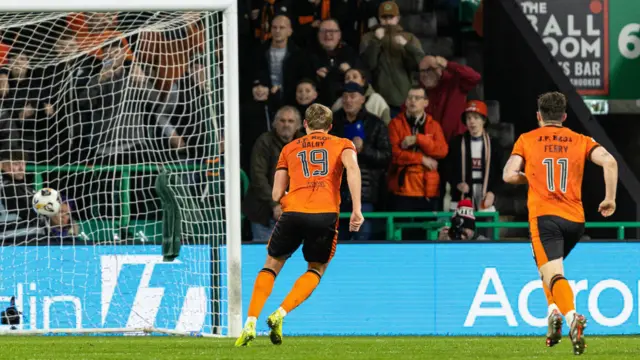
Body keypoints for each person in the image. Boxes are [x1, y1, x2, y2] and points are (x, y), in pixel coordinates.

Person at [235, 103, 364, 347]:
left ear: (305, 125)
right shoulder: (343, 144)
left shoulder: (289, 148)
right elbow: (352, 170)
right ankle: (280, 313)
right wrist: (356, 209)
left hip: (293, 212)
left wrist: (291, 198)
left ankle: (251, 321)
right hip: (325, 214)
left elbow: (275, 193)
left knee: (271, 266)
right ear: (330, 126)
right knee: (316, 268)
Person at [503, 92, 618, 355]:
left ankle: (570, 318)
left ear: (538, 116)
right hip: (576, 220)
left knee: (553, 273)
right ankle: (553, 311)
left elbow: (509, 175)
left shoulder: (527, 139)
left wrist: (530, 176)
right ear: (564, 117)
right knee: (546, 268)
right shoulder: (580, 140)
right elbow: (610, 161)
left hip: (545, 217)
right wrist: (609, 198)